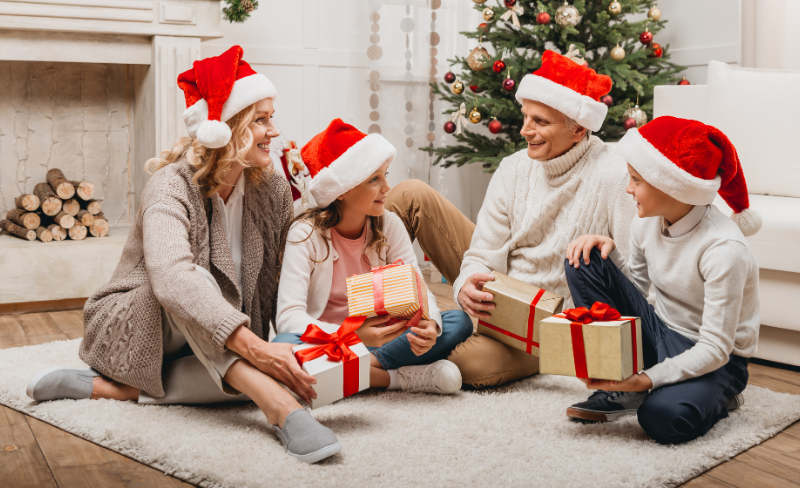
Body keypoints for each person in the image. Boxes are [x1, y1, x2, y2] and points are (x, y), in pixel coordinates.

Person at [25, 46, 342, 464]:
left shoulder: (272, 190)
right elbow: (173, 279)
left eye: (271, 117)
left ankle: (109, 389)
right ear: (229, 128)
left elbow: (280, 276)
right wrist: (256, 349)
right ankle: (280, 408)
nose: (275, 131)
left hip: (213, 340)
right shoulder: (170, 186)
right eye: (262, 120)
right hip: (138, 321)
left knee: (253, 364)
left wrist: (304, 336)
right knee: (194, 282)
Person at [385, 50, 637, 388]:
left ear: (578, 129)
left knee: (469, 365)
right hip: (499, 289)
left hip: (551, 320)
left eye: (541, 122)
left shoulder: (614, 174)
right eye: (526, 116)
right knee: (409, 193)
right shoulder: (515, 168)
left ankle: (397, 352)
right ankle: (362, 313)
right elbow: (481, 254)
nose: (525, 130)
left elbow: (634, 274)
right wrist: (466, 285)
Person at [563, 116, 760, 444]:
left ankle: (717, 396)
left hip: (717, 357)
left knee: (663, 417)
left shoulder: (724, 249)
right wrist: (610, 256)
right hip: (661, 331)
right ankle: (621, 382)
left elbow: (715, 347)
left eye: (636, 180)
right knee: (585, 259)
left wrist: (648, 380)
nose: (628, 189)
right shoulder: (646, 223)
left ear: (673, 185)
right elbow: (638, 291)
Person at [275, 119, 473, 394]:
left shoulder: (389, 224)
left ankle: (349, 373)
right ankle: (395, 379)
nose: (387, 188)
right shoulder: (304, 234)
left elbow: (418, 288)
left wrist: (430, 325)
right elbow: (288, 316)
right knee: (281, 344)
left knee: (456, 321)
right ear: (342, 190)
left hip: (382, 340)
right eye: (374, 179)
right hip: (331, 340)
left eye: (385, 175)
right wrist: (349, 334)